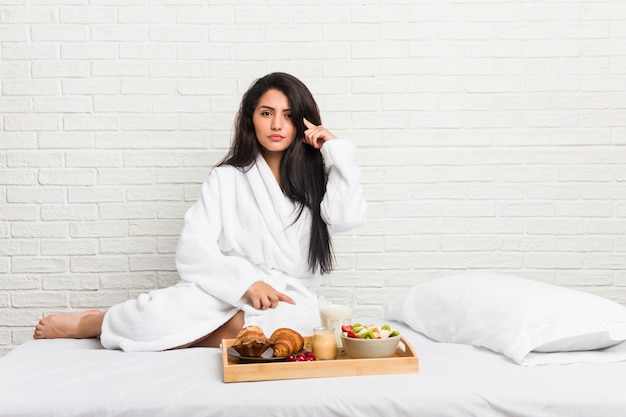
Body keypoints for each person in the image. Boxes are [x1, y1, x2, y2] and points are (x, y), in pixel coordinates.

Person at [33, 72, 367, 351]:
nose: (277, 124)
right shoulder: (227, 177)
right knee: (154, 318)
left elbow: (345, 218)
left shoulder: (318, 178)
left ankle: (188, 337)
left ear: (303, 122)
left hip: (287, 300)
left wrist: (338, 154)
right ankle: (94, 321)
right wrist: (245, 283)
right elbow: (194, 248)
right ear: (251, 118)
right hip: (228, 288)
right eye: (266, 113)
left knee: (294, 325)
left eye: (289, 115)